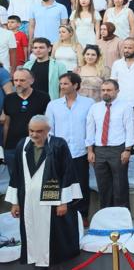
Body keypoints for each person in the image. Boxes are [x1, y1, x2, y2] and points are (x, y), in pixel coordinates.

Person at [5, 115, 80, 270]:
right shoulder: (22, 145)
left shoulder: (58, 145)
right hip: (28, 202)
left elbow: (68, 172)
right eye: (31, 131)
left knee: (52, 241)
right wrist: (15, 201)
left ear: (48, 131)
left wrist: (63, 201)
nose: (34, 135)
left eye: (39, 131)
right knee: (32, 240)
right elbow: (16, 174)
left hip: (51, 201)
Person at [44, 72, 92, 224]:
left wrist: (90, 150)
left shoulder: (88, 103)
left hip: (80, 151)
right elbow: (49, 129)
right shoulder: (53, 105)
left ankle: (82, 216)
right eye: (61, 83)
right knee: (58, 184)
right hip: (59, 152)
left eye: (65, 83)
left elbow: (91, 128)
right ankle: (60, 216)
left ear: (75, 85)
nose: (62, 86)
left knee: (82, 184)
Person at [85, 79, 134, 209]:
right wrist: (90, 151)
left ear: (117, 91)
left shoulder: (125, 107)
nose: (105, 93)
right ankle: (106, 214)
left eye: (109, 90)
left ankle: (122, 214)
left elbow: (130, 129)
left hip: (118, 149)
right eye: (103, 90)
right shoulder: (95, 108)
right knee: (103, 185)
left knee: (120, 184)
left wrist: (127, 150)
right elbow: (90, 130)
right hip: (99, 150)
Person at [2, 69, 51, 168]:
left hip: (36, 146)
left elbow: (48, 123)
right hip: (12, 147)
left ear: (31, 81)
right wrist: (4, 145)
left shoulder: (43, 97)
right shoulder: (9, 98)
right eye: (15, 80)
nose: (18, 83)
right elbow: (7, 123)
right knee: (14, 181)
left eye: (22, 80)